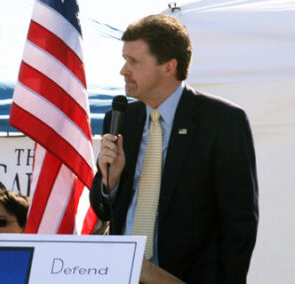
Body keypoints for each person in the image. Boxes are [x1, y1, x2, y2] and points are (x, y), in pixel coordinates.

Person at [90, 14, 258, 284]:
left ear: (168, 67)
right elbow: (103, 210)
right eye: (124, 59)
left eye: (133, 61)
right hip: (123, 274)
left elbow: (240, 222)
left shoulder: (223, 121)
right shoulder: (120, 119)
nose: (123, 70)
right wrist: (111, 181)